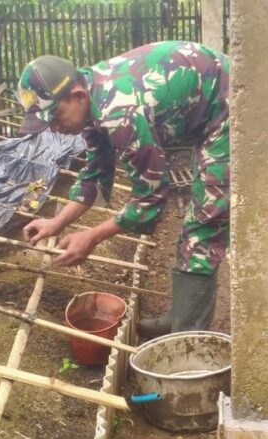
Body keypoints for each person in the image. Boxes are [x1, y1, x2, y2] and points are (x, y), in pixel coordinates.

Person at [16, 41, 230, 337]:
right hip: (206, 104)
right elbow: (94, 173)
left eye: (55, 118)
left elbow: (152, 197)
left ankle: (189, 339)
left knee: (205, 222)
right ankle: (181, 316)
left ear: (77, 96)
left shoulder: (119, 112)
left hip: (230, 106)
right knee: (198, 218)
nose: (54, 129)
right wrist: (57, 223)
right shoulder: (90, 98)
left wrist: (92, 236)